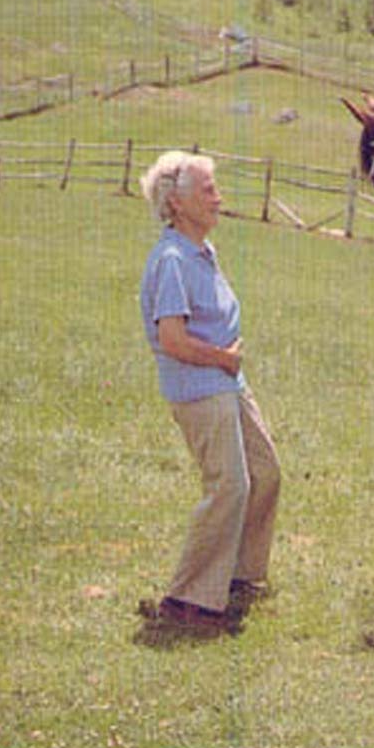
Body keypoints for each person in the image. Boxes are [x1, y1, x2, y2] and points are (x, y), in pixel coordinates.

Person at [137, 151, 281, 631]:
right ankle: (188, 601)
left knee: (265, 472)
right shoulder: (173, 260)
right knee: (229, 485)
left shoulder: (201, 252)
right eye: (208, 190)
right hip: (201, 388)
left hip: (227, 381)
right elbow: (172, 340)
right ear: (176, 203)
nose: (218, 198)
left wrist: (227, 364)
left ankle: (239, 577)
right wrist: (223, 358)